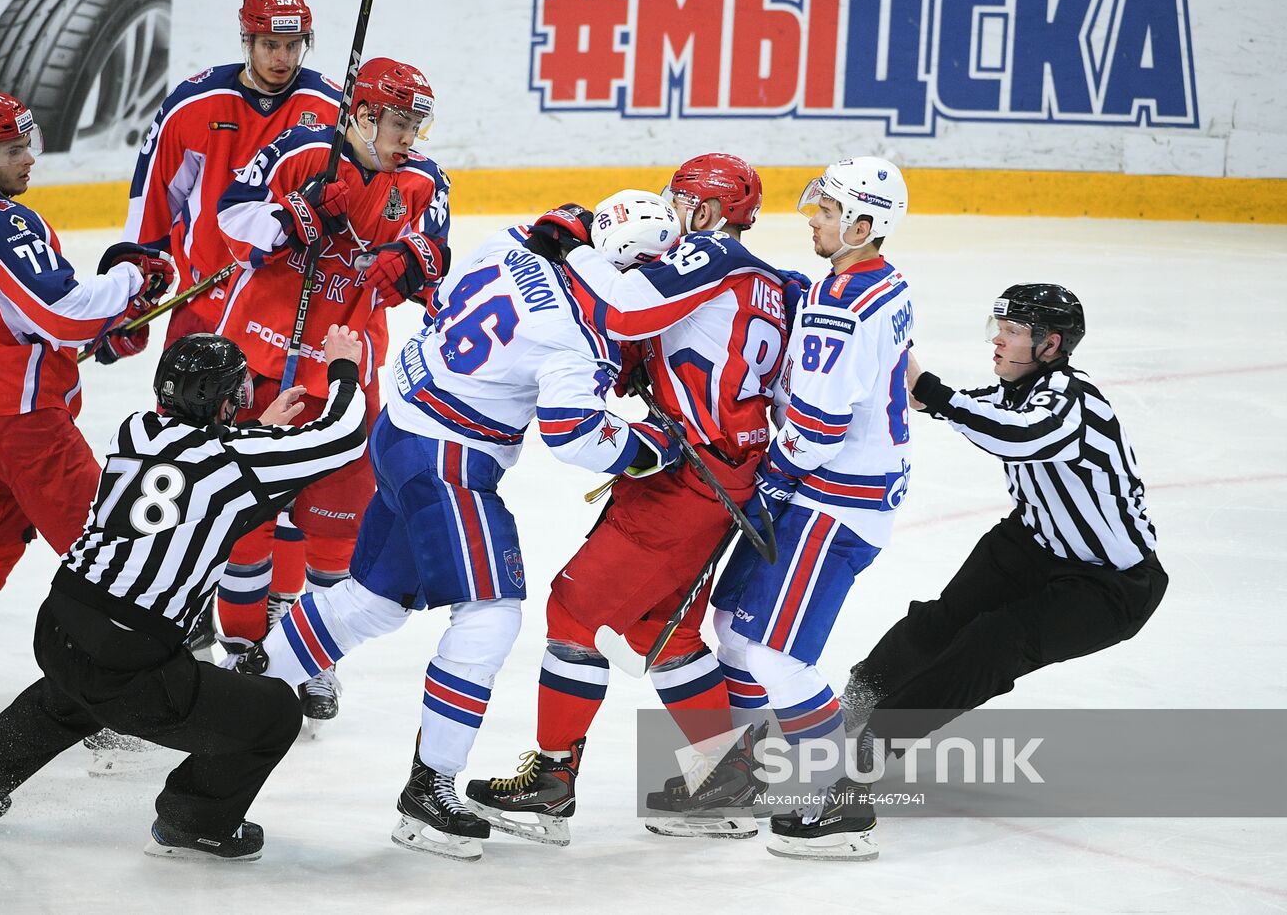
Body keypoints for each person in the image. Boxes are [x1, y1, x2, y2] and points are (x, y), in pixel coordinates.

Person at [240, 206, 683, 861]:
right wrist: (653, 447)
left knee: (369, 603)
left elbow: (442, 294)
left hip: (398, 430)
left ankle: (236, 685)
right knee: (490, 617)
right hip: (448, 463)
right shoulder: (579, 338)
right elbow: (575, 434)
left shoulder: (514, 245)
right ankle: (431, 790)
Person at [0, 325, 369, 862]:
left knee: (71, 696)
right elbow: (342, 436)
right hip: (131, 656)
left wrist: (256, 429)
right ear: (221, 402)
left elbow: (204, 463)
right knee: (273, 714)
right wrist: (343, 368)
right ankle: (195, 821)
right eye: (234, 395)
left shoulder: (133, 432)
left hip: (60, 622)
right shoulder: (237, 461)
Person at [465, 157, 796, 844]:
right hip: (722, 474)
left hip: (687, 477)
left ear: (704, 213)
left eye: (680, 205)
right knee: (658, 630)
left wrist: (577, 246)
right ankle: (729, 782)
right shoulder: (770, 282)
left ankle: (551, 785)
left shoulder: (710, 252)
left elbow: (625, 308)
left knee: (575, 607)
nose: (673, 218)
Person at [840, 284, 1168, 852]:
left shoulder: (1071, 401)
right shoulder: (1014, 391)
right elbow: (941, 402)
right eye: (1003, 327)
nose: (998, 338)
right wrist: (891, 352)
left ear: (1050, 344)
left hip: (1109, 583)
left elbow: (1017, 437)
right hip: (1031, 543)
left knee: (994, 640)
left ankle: (871, 750)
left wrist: (934, 391)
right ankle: (849, 708)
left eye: (1014, 331)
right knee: (939, 623)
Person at [0, 91, 172, 739]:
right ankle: (107, 695)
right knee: (101, 547)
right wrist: (133, 283)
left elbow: (14, 322)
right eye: (13, 149)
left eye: (28, 145)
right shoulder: (0, 221)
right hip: (26, 425)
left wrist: (100, 331)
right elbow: (63, 310)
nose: (29, 160)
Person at [210, 55, 450, 726]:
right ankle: (239, 652)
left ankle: (314, 662)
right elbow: (231, 222)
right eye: (400, 122)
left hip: (344, 375)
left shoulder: (424, 180)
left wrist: (414, 265)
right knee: (246, 531)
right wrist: (293, 217)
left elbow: (435, 262)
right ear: (365, 114)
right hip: (258, 363)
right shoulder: (302, 150)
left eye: (418, 124)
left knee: (334, 543)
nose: (411, 136)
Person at [706, 156, 914, 861]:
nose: (812, 219)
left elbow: (821, 428)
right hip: (843, 488)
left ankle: (840, 801)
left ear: (862, 225)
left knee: (773, 650)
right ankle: (745, 776)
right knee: (735, 626)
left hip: (834, 499)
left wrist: (775, 479)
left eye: (826, 212)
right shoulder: (875, 281)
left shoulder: (840, 303)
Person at [124, 0, 342, 651]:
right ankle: (187, 600)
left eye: (292, 44)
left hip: (287, 317)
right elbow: (154, 201)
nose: (282, 57)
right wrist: (135, 282)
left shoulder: (329, 106)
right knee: (194, 466)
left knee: (281, 472)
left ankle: (274, 617)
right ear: (245, 39)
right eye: (269, 43)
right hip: (207, 311)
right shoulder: (196, 104)